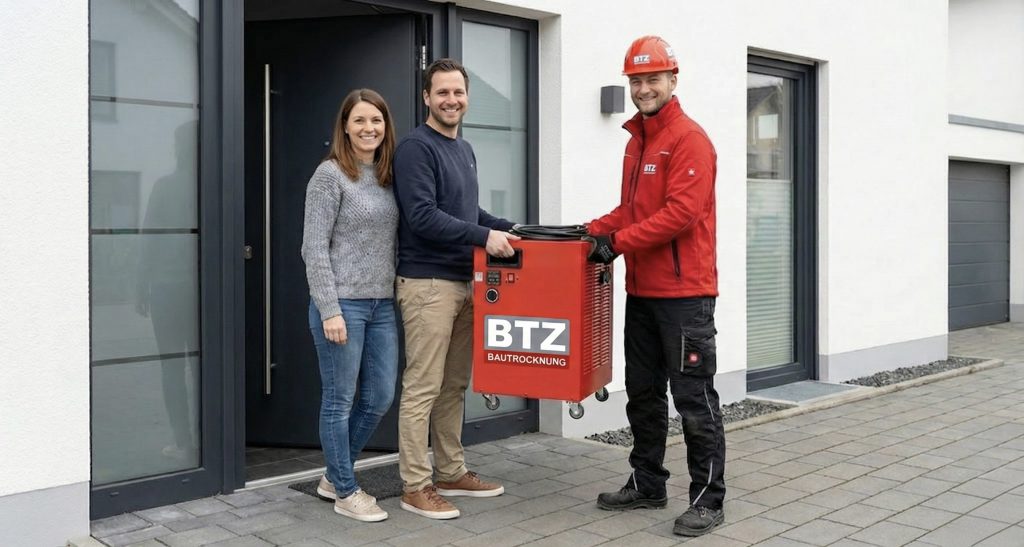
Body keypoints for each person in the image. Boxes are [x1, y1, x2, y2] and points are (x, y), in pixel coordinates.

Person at [585, 36, 727, 537]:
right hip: (642, 293)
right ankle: (647, 483)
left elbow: (680, 214)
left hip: (685, 297)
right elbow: (632, 211)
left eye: (652, 79)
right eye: (636, 80)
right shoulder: (636, 141)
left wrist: (616, 243)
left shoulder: (689, 139)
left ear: (672, 79)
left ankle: (708, 500)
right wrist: (588, 233)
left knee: (694, 400)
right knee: (643, 394)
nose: (643, 88)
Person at [392, 58, 520, 520]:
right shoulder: (415, 148)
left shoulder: (462, 148)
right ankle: (414, 485)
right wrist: (485, 237)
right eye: (442, 92)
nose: (451, 100)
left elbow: (468, 211)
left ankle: (450, 471)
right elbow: (423, 216)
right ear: (426, 97)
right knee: (423, 387)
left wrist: (510, 228)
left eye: (458, 92)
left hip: (464, 282)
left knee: (453, 385)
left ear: (467, 97)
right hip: (427, 285)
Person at [300, 88, 400, 523]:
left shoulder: (387, 175)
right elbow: (313, 247)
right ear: (344, 126)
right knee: (339, 400)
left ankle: (332, 476)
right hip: (342, 303)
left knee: (379, 397)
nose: (368, 128)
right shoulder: (329, 176)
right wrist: (330, 309)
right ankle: (345, 489)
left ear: (385, 126)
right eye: (359, 120)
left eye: (376, 120)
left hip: (382, 304)